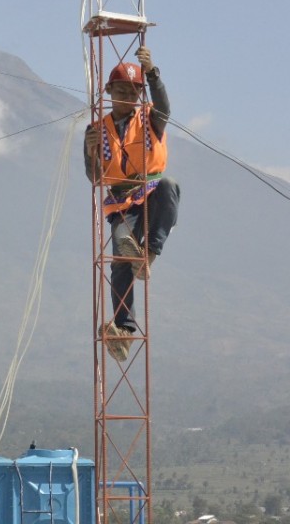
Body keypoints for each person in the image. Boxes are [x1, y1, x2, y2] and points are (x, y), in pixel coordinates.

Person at [83, 45, 180, 362]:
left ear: (140, 95)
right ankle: (124, 328)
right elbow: (95, 177)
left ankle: (148, 256)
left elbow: (164, 107)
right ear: (110, 91)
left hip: (150, 190)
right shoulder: (98, 129)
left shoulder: (150, 119)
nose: (127, 96)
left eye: (133, 91)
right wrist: (91, 151)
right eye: (121, 90)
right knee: (120, 256)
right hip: (122, 198)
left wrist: (152, 74)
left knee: (169, 188)